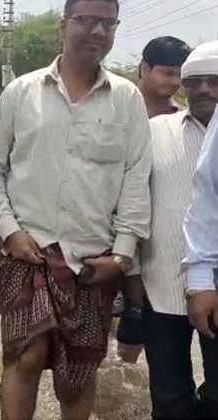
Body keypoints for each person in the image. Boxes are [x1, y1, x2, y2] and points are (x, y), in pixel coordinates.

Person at [0, 0, 151, 418]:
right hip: (26, 253)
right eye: (87, 20)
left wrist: (122, 255)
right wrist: (10, 232)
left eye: (108, 23)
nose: (98, 32)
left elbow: (135, 179)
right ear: (63, 24)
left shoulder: (126, 99)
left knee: (79, 372)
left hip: (94, 261)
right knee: (25, 356)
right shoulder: (22, 92)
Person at [143, 40, 218, 420]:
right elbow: (133, 202)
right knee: (169, 399)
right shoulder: (156, 130)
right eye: (196, 81)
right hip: (162, 286)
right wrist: (131, 272)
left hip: (216, 288)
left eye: (214, 81)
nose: (204, 89)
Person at [115, 35, 192, 363]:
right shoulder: (115, 110)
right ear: (143, 68)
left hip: (157, 249)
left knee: (138, 327)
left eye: (179, 74)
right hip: (106, 239)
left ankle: (125, 385)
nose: (174, 81)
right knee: (98, 321)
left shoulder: (187, 122)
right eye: (166, 72)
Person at [138, 36, 192, 118]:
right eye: (169, 73)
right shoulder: (118, 107)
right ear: (144, 68)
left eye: (180, 75)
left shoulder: (184, 118)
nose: (176, 82)